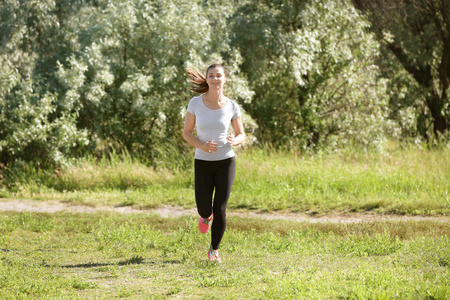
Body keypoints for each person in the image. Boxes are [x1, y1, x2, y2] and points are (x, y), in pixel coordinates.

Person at [183, 64, 245, 263]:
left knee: (220, 208)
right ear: (207, 79)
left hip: (226, 161)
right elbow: (186, 132)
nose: (215, 78)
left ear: (224, 79)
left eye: (219, 75)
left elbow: (241, 133)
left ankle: (214, 250)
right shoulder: (195, 103)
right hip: (202, 162)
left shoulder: (232, 106)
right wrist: (201, 145)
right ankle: (205, 216)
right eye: (211, 75)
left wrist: (236, 140)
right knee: (204, 208)